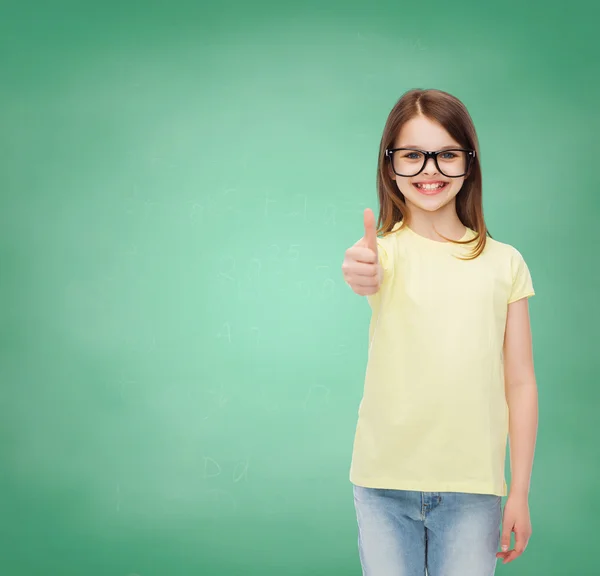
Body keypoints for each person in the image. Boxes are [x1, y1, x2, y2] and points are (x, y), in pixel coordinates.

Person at [342, 88, 538, 576]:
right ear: (390, 166)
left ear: (468, 163)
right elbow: (363, 271)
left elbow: (521, 383)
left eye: (447, 154)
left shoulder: (504, 262)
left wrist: (520, 492)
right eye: (412, 155)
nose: (430, 169)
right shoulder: (382, 254)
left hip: (474, 491)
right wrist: (359, 268)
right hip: (382, 484)